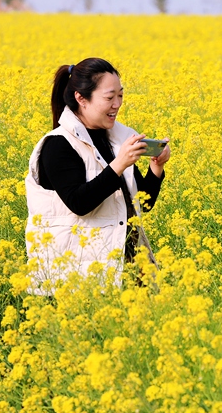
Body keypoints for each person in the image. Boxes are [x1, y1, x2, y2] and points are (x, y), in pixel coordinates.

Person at [25, 58, 170, 293]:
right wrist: (119, 164)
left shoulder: (116, 140)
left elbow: (142, 203)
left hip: (127, 267)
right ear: (81, 99)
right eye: (109, 97)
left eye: (120, 96)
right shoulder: (58, 145)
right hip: (78, 275)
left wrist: (156, 168)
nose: (117, 104)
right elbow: (79, 203)